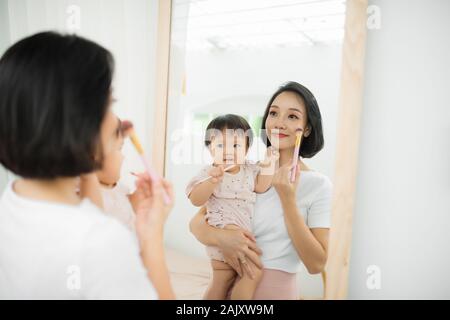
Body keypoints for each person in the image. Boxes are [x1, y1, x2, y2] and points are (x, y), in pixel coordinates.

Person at [0, 32, 174, 299]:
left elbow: (81, 213)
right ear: (80, 123)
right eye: (110, 103)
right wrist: (152, 240)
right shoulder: (102, 243)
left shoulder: (12, 198)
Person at [190, 82, 332, 300]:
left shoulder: (318, 185)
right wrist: (223, 239)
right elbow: (197, 223)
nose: (279, 123)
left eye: (292, 116)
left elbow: (316, 264)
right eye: (274, 113)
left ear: (307, 129)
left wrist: (288, 200)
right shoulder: (246, 172)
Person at [186, 114, 277, 299]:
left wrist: (271, 162)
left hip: (239, 233)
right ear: (210, 150)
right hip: (226, 229)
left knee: (222, 280)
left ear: (247, 149)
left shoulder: (250, 169)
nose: (229, 151)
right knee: (254, 272)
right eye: (220, 145)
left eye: (236, 145)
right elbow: (195, 199)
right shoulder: (209, 172)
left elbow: (261, 185)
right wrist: (211, 182)